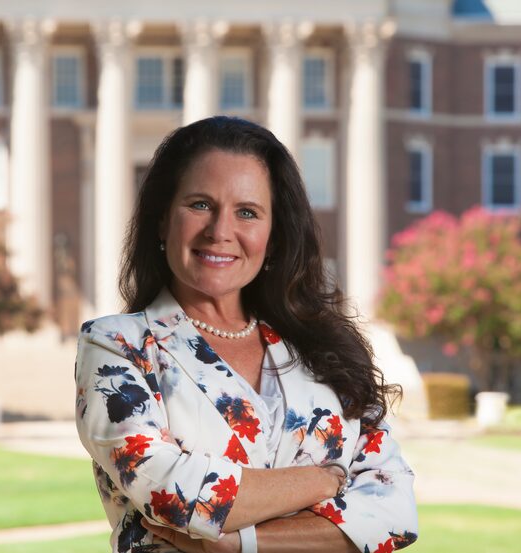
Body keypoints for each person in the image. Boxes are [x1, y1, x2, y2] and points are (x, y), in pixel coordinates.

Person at [75, 116, 418, 553]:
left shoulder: (322, 349)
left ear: (273, 237)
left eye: (247, 212)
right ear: (162, 221)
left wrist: (243, 542)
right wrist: (325, 479)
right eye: (200, 204)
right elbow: (172, 493)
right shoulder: (117, 346)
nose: (220, 231)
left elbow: (396, 513)